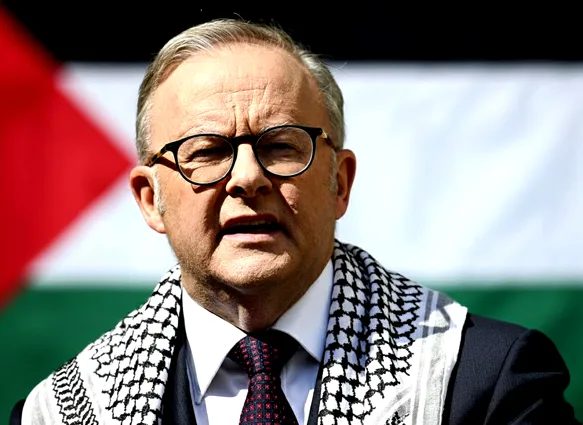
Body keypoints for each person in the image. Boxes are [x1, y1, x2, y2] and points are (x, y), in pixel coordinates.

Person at [11, 18, 580, 425]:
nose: (247, 178)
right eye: (207, 151)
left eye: (281, 146)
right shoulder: (61, 412)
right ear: (150, 200)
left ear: (339, 182)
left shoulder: (487, 381)